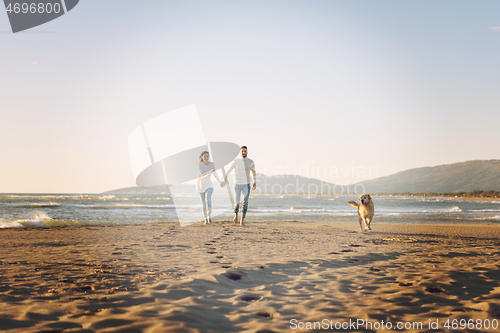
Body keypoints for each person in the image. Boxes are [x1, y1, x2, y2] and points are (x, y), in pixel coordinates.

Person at [224, 146, 256, 226]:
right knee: (237, 202)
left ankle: (242, 219)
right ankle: (236, 214)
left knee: (245, 202)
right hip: (237, 184)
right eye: (242, 151)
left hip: (247, 184)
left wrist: (254, 182)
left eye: (245, 151)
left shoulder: (250, 162)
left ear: (247, 152)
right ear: (240, 152)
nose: (243, 153)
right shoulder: (236, 161)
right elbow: (228, 171)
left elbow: (253, 172)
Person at [197, 151, 224, 224]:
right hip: (201, 186)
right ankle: (205, 218)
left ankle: (209, 216)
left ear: (209, 157)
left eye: (207, 156)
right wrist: (210, 172)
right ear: (202, 157)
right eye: (204, 156)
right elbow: (202, 175)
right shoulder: (200, 165)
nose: (206, 158)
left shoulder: (212, 164)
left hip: (209, 185)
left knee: (208, 199)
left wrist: (219, 182)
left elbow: (215, 173)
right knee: (203, 203)